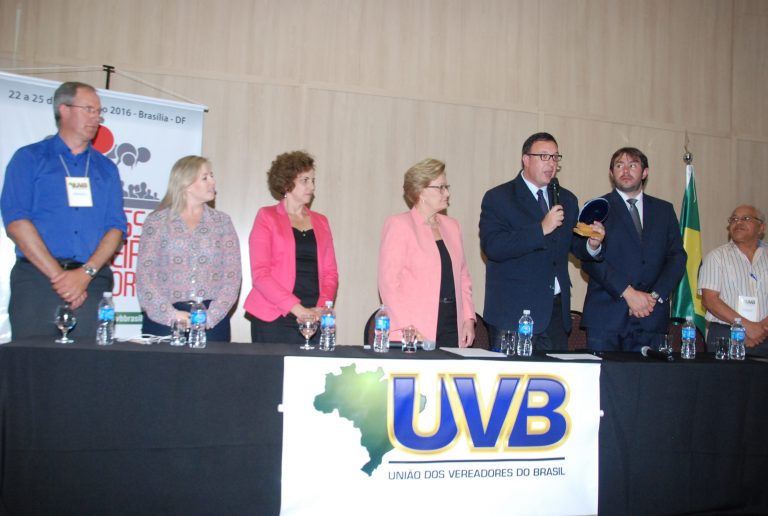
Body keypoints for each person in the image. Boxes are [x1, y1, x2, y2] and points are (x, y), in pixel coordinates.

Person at [1, 81, 127, 339]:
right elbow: (16, 222)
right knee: (34, 369)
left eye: (98, 112)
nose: (97, 118)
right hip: (38, 281)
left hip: (91, 284)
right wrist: (60, 276)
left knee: (84, 372)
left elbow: (116, 228)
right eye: (89, 109)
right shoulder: (29, 158)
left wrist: (85, 274)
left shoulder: (106, 168)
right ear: (64, 109)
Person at [480, 132, 604, 351]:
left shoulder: (566, 199)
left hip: (555, 314)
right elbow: (493, 246)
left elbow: (573, 245)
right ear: (526, 159)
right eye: (544, 156)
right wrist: (540, 229)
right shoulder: (499, 197)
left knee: (555, 382)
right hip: (513, 315)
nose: (551, 164)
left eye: (555, 158)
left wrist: (592, 245)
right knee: (514, 383)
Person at [580, 147, 687, 352]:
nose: (626, 171)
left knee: (648, 383)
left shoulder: (664, 210)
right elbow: (589, 259)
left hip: (651, 315)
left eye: (633, 165)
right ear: (611, 173)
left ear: (645, 172)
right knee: (607, 383)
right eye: (619, 165)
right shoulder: (596, 207)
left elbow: (677, 257)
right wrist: (628, 293)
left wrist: (653, 297)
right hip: (607, 317)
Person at [136, 156, 241, 341]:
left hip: (212, 323)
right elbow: (145, 276)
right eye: (205, 177)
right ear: (186, 183)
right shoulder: (157, 221)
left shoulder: (222, 222)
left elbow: (232, 276)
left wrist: (209, 317)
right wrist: (171, 315)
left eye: (212, 176)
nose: (213, 182)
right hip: (163, 321)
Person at [378, 158, 476, 348]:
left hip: (451, 323)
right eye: (440, 187)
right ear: (421, 191)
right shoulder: (399, 225)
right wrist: (408, 327)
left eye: (447, 186)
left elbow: (464, 277)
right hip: (413, 330)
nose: (447, 193)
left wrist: (468, 319)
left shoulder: (452, 227)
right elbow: (389, 284)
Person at [244, 151, 338, 344]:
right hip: (273, 317)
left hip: (314, 317)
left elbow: (331, 273)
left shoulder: (321, 221)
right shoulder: (266, 217)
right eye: (305, 180)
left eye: (313, 180)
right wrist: (298, 309)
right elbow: (261, 274)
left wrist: (320, 308)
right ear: (287, 183)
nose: (311, 187)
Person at [699, 205, 768, 356]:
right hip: (726, 335)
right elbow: (710, 300)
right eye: (734, 219)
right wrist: (747, 327)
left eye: (746, 218)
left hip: (765, 334)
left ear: (761, 227)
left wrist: (761, 329)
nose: (738, 223)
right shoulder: (717, 257)